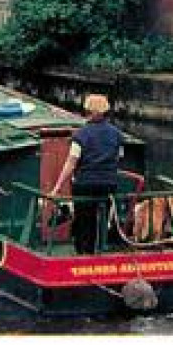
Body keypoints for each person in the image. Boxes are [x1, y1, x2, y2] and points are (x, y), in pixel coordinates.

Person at [50, 94, 124, 255]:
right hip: (109, 185)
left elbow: (71, 163)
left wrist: (56, 187)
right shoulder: (117, 134)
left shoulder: (80, 136)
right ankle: (104, 244)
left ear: (88, 111)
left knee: (84, 218)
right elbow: (118, 158)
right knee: (102, 214)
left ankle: (84, 251)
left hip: (85, 184)